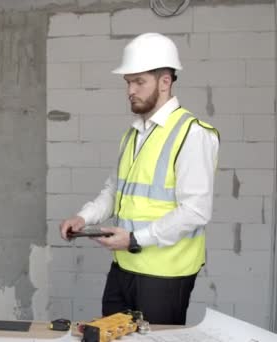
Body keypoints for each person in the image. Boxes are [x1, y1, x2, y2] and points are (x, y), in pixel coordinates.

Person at [59, 33, 220, 325]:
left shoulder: (193, 134)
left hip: (165, 274)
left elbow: (196, 211)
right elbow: (114, 190)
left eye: (139, 82)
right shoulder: (133, 134)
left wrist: (134, 239)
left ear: (165, 81)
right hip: (124, 266)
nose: (130, 90)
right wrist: (83, 217)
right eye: (127, 82)